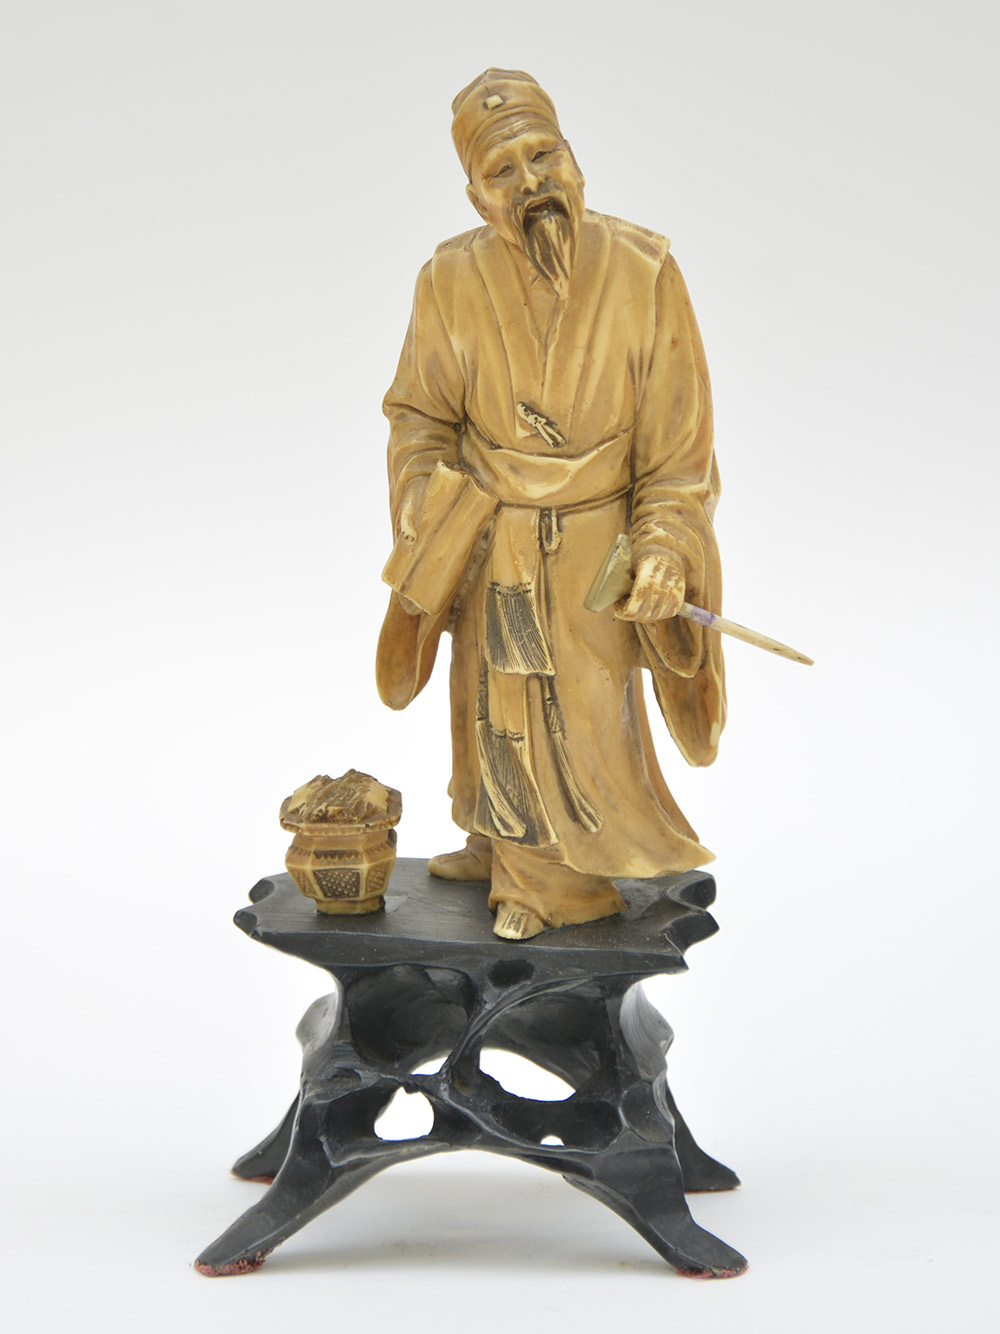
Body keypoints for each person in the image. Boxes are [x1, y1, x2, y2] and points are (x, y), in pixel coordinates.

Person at [376, 69, 725, 940]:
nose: (532, 182)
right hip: (490, 535)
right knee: (492, 703)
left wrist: (664, 549)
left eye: (545, 156)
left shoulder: (646, 270)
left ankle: (559, 887)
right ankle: (500, 838)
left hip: (594, 550)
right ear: (475, 195)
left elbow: (679, 453)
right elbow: (420, 417)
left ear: (574, 158)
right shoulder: (447, 277)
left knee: (577, 719)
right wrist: (422, 499)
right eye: (502, 171)